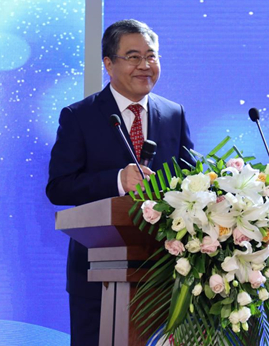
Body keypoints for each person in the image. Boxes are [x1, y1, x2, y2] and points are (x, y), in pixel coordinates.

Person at [46, 19, 194, 346]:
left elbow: (190, 181)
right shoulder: (79, 116)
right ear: (109, 64)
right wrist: (117, 180)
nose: (145, 65)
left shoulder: (174, 114)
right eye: (133, 57)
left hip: (166, 272)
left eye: (151, 56)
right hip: (97, 274)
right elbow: (59, 186)